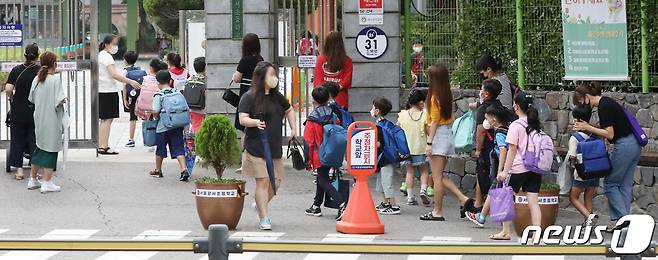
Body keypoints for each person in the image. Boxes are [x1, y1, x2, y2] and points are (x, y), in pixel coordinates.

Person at [238, 61, 297, 230]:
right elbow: (243, 118)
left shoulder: (276, 96)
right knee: (263, 181)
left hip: (274, 146)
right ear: (261, 77)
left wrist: (293, 128)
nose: (274, 78)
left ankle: (260, 203)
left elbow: (289, 110)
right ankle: (264, 218)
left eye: (275, 75)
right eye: (271, 75)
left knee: (276, 182)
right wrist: (255, 122)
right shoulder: (248, 97)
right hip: (256, 146)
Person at [573, 81, 641, 225]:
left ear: (586, 97)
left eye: (581, 101)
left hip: (624, 146)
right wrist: (589, 126)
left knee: (610, 183)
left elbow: (609, 134)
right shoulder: (607, 102)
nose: (583, 106)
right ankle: (622, 225)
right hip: (633, 144)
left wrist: (587, 127)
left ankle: (624, 220)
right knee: (623, 184)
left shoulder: (604, 107)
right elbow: (608, 129)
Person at [420, 64, 473, 221]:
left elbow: (434, 121)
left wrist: (429, 143)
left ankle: (438, 211)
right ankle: (463, 198)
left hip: (437, 136)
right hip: (447, 135)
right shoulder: (446, 94)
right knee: (438, 176)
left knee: (436, 178)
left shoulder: (434, 97)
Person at [465, 105, 512, 240]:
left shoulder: (500, 133)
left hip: (505, 168)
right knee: (496, 192)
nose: (485, 121)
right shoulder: (504, 130)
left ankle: (483, 218)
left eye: (487, 118)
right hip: (507, 168)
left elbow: (503, 150)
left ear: (494, 119)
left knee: (500, 193)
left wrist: (501, 170)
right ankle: (483, 217)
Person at [499, 93, 543, 236]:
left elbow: (512, 149)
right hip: (535, 168)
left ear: (516, 106)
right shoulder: (536, 125)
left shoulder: (515, 125)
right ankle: (537, 234)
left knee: (506, 197)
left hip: (519, 168)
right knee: (533, 202)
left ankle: (505, 232)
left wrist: (505, 171)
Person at [303, 87, 347, 220]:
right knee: (322, 178)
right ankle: (316, 206)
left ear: (313, 100)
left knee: (323, 180)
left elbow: (308, 142)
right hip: (332, 152)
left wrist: (308, 161)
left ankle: (342, 203)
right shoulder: (333, 115)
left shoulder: (312, 119)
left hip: (319, 154)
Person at [27, 51, 66, 193]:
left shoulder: (36, 79)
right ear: (54, 64)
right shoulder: (55, 80)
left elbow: (31, 98)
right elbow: (59, 101)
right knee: (51, 149)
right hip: (51, 119)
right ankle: (47, 182)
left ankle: (33, 180)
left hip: (39, 118)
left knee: (40, 147)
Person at [97, 34, 141, 155]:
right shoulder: (107, 57)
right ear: (106, 44)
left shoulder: (101, 55)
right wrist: (130, 81)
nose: (116, 47)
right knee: (107, 120)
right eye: (114, 44)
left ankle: (102, 145)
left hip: (102, 90)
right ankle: (104, 146)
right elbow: (114, 75)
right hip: (108, 91)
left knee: (104, 120)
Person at [4, 43, 39, 180]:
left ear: (25, 55)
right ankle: (34, 168)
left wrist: (12, 98)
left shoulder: (16, 70)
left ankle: (19, 170)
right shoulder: (40, 71)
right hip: (35, 110)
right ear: (38, 55)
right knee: (34, 139)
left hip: (18, 109)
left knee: (17, 139)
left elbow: (8, 89)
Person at [472, 79, 506, 214]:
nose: (480, 91)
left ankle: (482, 205)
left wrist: (478, 149)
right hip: (498, 146)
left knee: (484, 174)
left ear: (486, 93)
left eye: (482, 89)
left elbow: (481, 131)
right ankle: (479, 203)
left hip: (488, 147)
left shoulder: (483, 109)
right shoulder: (498, 106)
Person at [148, 70, 190, 181]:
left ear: (158, 83)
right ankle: (184, 169)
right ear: (170, 81)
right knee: (179, 148)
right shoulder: (177, 92)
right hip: (177, 125)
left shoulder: (159, 95)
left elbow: (155, 110)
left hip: (163, 127)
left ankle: (158, 170)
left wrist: (155, 116)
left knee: (160, 149)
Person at [233, 33, 264, 173]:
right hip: (258, 96)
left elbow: (237, 78)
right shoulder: (260, 60)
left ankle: (245, 162)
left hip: (245, 96)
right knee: (256, 127)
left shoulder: (244, 61)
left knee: (243, 127)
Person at [397, 89, 431, 206]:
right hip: (421, 147)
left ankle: (410, 197)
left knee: (410, 172)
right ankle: (423, 190)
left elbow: (398, 129)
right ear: (421, 102)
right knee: (424, 170)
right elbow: (429, 132)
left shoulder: (402, 115)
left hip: (406, 148)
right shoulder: (425, 115)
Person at [568, 104, 600, 226]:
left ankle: (589, 217)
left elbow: (572, 157)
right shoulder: (594, 134)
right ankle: (587, 225)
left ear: (577, 119)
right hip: (596, 171)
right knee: (588, 197)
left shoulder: (575, 138)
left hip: (582, 173)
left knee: (573, 198)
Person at [371, 97, 401, 215]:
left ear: (377, 111)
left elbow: (379, 143)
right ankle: (385, 203)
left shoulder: (379, 126)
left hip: (385, 158)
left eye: (373, 107)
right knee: (382, 182)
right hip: (384, 158)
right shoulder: (386, 124)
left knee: (387, 183)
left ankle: (393, 205)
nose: (372, 110)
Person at [314, 31, 353, 109]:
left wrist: (324, 93)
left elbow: (318, 80)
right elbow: (346, 81)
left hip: (322, 100)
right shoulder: (347, 60)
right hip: (340, 99)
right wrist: (335, 89)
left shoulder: (320, 59)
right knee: (341, 120)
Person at [121, 51, 146, 148]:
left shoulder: (125, 71)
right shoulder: (141, 69)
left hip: (132, 97)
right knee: (145, 117)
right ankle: (147, 138)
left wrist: (124, 99)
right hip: (142, 96)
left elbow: (124, 86)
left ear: (125, 60)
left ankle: (131, 140)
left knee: (132, 118)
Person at [187, 57, 207, 133]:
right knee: (202, 130)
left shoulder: (189, 79)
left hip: (192, 108)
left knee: (195, 127)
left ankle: (193, 141)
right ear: (205, 68)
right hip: (202, 109)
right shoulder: (206, 81)